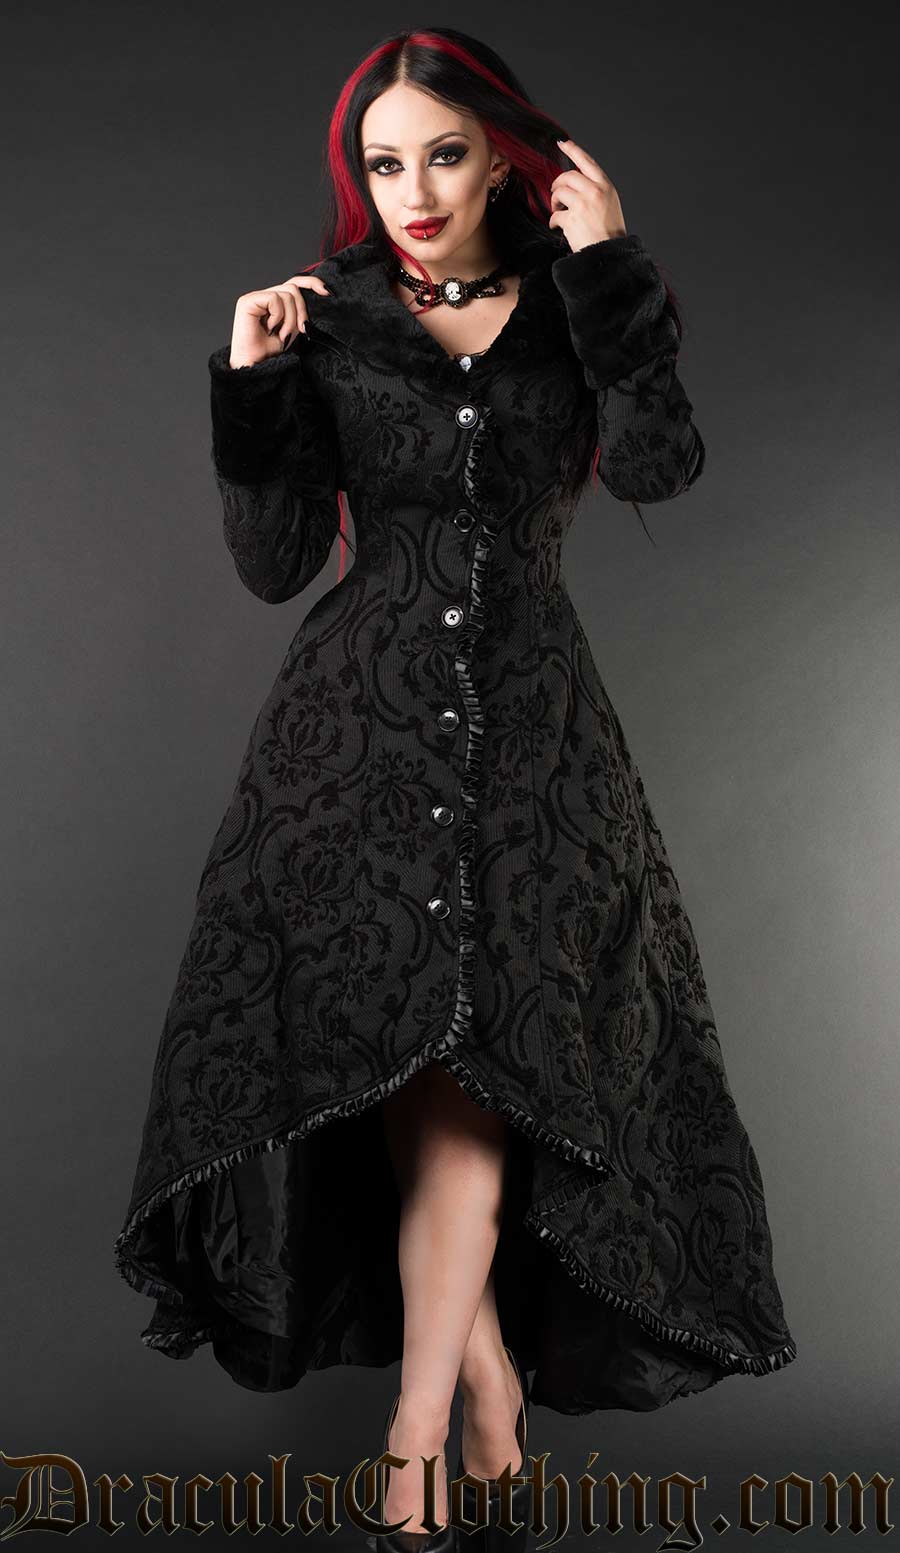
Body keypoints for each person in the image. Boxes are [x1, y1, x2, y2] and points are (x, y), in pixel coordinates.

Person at [114, 25, 796, 1553]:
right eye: (383, 164)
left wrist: (612, 272)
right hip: (352, 751)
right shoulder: (334, 323)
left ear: (502, 157)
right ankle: (456, 1407)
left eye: (442, 154)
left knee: (487, 1063)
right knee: (425, 1066)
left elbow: (662, 465)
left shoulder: (576, 306)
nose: (413, 191)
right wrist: (252, 382)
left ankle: (434, 1417)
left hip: (538, 752)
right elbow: (278, 564)